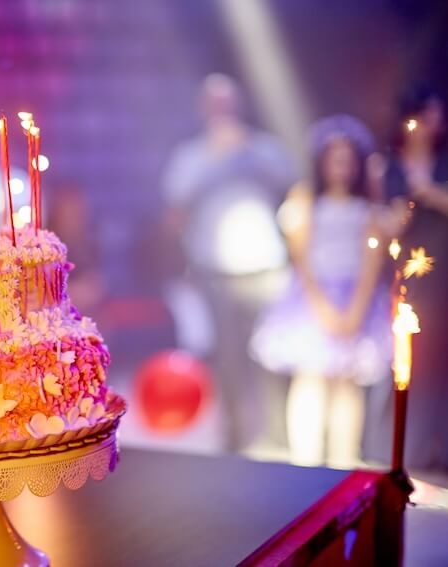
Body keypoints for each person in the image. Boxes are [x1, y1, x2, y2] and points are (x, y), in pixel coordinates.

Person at [161, 73, 295, 451]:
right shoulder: (190, 155)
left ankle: (279, 439)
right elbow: (176, 201)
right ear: (203, 108)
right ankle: (235, 442)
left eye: (228, 101)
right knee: (229, 362)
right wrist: (216, 158)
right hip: (215, 271)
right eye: (214, 102)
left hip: (266, 267)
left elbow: (290, 180)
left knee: (274, 357)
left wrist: (245, 150)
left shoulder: (264, 147)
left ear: (239, 105)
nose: (222, 109)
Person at [251, 115, 390, 467]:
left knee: (347, 382)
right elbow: (300, 255)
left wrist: (356, 308)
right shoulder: (306, 200)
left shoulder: (368, 208)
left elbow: (373, 258)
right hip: (312, 299)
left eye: (347, 159)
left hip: (355, 296)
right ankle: (306, 463)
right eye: (333, 158)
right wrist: (322, 307)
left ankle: (344, 462)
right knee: (310, 377)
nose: (340, 166)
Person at [377, 88, 448, 471]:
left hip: (445, 278)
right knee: (406, 361)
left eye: (437, 117)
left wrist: (430, 192)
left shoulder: (442, 164)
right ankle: (405, 449)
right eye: (425, 117)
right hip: (406, 280)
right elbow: (384, 223)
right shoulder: (389, 167)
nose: (431, 126)